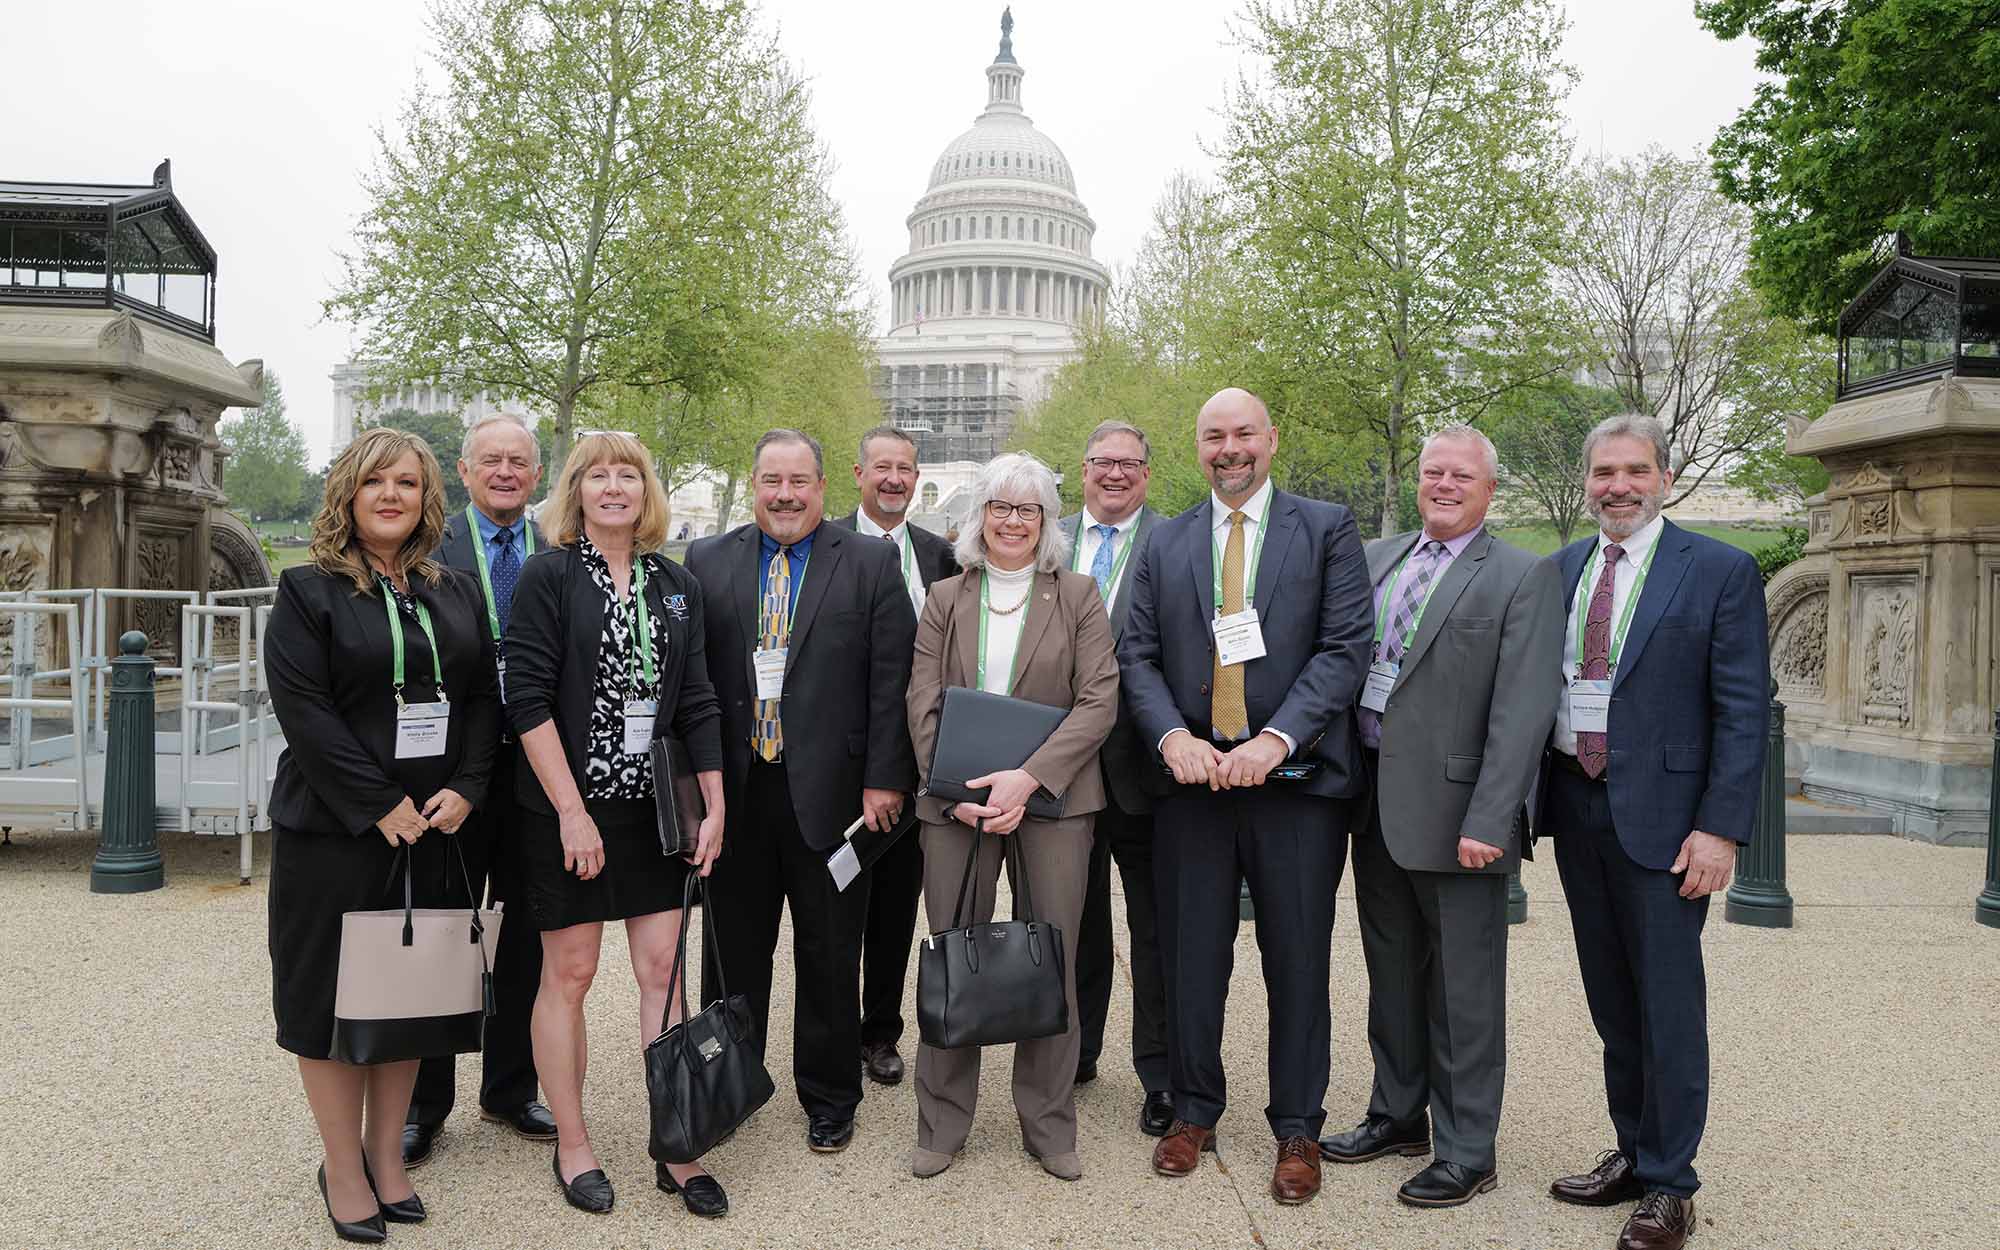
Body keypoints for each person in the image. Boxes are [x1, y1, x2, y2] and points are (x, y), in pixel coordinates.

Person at [1118, 387, 1373, 1206]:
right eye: (1213, 437)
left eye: (1243, 434)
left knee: (1296, 960)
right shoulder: (1166, 542)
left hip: (1293, 786)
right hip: (1192, 784)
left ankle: (1298, 1126)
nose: (1230, 449)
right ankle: (1193, 1110)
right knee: (1193, 958)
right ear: (1197, 448)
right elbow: (1137, 656)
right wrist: (1172, 739)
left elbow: (1343, 650)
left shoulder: (1327, 529)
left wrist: (1275, 740)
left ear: (1271, 437)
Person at [264, 427, 501, 1242]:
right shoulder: (308, 591)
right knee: (327, 1001)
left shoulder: (454, 590)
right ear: (350, 495)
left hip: (436, 828)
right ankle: (341, 1166)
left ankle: (387, 1159)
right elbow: (305, 712)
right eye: (377, 483)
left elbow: (479, 700)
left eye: (407, 482)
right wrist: (375, 803)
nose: (393, 495)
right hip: (335, 831)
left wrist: (467, 787)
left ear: (428, 496)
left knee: (409, 999)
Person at [1318, 425, 1562, 1208]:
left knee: (1463, 992)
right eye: (1433, 472)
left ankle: (1466, 1147)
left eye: (1461, 475)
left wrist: (1492, 818)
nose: (1444, 485)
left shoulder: (1523, 577)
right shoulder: (1377, 556)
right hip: (1373, 807)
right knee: (1392, 977)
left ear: (1491, 489)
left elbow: (1523, 714)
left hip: (1462, 819)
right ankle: (1398, 1114)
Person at [1538, 414, 1767, 1250]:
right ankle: (1634, 1153)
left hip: (1670, 826)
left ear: (1664, 478)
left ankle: (1673, 1184)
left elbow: (1742, 714)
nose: (1618, 487)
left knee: (1668, 1006)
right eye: (1604, 472)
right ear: (1587, 479)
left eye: (1635, 471)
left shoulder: (1719, 571)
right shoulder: (1561, 569)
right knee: (1612, 1000)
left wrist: (1720, 829)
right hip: (1576, 806)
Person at [504, 432, 728, 1218]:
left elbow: (697, 697)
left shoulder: (675, 583)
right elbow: (525, 698)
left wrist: (716, 802)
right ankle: (573, 1143)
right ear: (575, 491)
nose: (612, 485)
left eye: (626, 473)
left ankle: (678, 1142)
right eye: (596, 474)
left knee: (663, 971)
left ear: (646, 491)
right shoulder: (549, 576)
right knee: (569, 974)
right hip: (569, 807)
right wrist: (571, 813)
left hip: (653, 810)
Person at [685, 428, 917, 1154]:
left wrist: (885, 778)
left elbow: (893, 681)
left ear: (824, 486)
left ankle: (828, 1096)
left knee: (828, 954)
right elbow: (693, 684)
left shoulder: (872, 564)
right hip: (737, 794)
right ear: (753, 484)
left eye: (799, 482)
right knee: (730, 959)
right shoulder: (707, 560)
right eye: (771, 481)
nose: (785, 495)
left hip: (835, 796)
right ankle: (731, 1087)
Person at [905, 452, 1119, 1181]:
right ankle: (941, 1122)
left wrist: (1026, 781)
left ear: (1046, 521)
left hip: (1054, 803)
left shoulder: (1081, 596)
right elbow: (922, 700)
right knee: (953, 955)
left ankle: (1049, 1122)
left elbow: (1099, 701)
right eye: (1000, 506)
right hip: (955, 804)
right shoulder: (944, 598)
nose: (1013, 521)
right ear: (979, 516)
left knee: (1050, 960)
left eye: (1028, 509)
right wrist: (959, 792)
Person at [403, 414, 554, 1168]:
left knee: (525, 935)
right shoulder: (430, 548)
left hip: (534, 774)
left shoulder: (557, 547)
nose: (505, 472)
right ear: (464, 471)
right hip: (454, 777)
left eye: (518, 462)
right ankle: (425, 1105)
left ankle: (511, 1086)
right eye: (490, 460)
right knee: (440, 934)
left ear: (536, 474)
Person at [830, 424, 960, 1088]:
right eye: (881, 467)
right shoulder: (823, 546)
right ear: (858, 473)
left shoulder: (943, 557)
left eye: (905, 469)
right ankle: (828, 1031)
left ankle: (879, 1031)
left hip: (918, 765)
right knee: (836, 905)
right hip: (837, 760)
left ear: (917, 478)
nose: (893, 480)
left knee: (893, 908)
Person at [1057, 421, 1173, 1136]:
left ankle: (1160, 1073)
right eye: (1103, 462)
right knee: (1070, 922)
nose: (1116, 475)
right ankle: (1073, 1053)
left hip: (1146, 768)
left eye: (1130, 463)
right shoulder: (1044, 537)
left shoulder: (1177, 540)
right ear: (1083, 468)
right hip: (1059, 768)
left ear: (1147, 474)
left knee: (1157, 929)